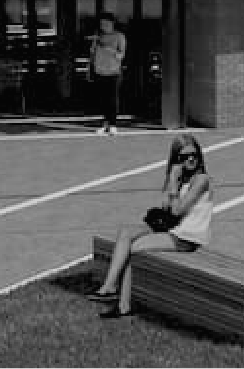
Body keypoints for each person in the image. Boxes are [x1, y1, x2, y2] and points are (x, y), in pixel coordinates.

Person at [89, 134, 213, 317]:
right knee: (126, 233)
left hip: (187, 238)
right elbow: (168, 208)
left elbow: (178, 211)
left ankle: (122, 303)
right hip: (173, 229)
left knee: (133, 248)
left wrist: (172, 181)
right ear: (176, 159)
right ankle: (110, 286)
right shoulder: (182, 179)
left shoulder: (201, 180)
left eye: (194, 154)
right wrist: (174, 183)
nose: (191, 159)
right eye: (184, 156)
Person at [89, 13, 127, 135]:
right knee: (102, 100)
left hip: (114, 72)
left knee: (113, 99)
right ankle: (104, 124)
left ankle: (113, 124)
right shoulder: (98, 37)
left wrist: (107, 49)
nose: (103, 26)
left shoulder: (119, 36)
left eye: (105, 23)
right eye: (101, 24)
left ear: (112, 23)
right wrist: (89, 69)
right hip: (99, 72)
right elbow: (92, 54)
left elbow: (121, 56)